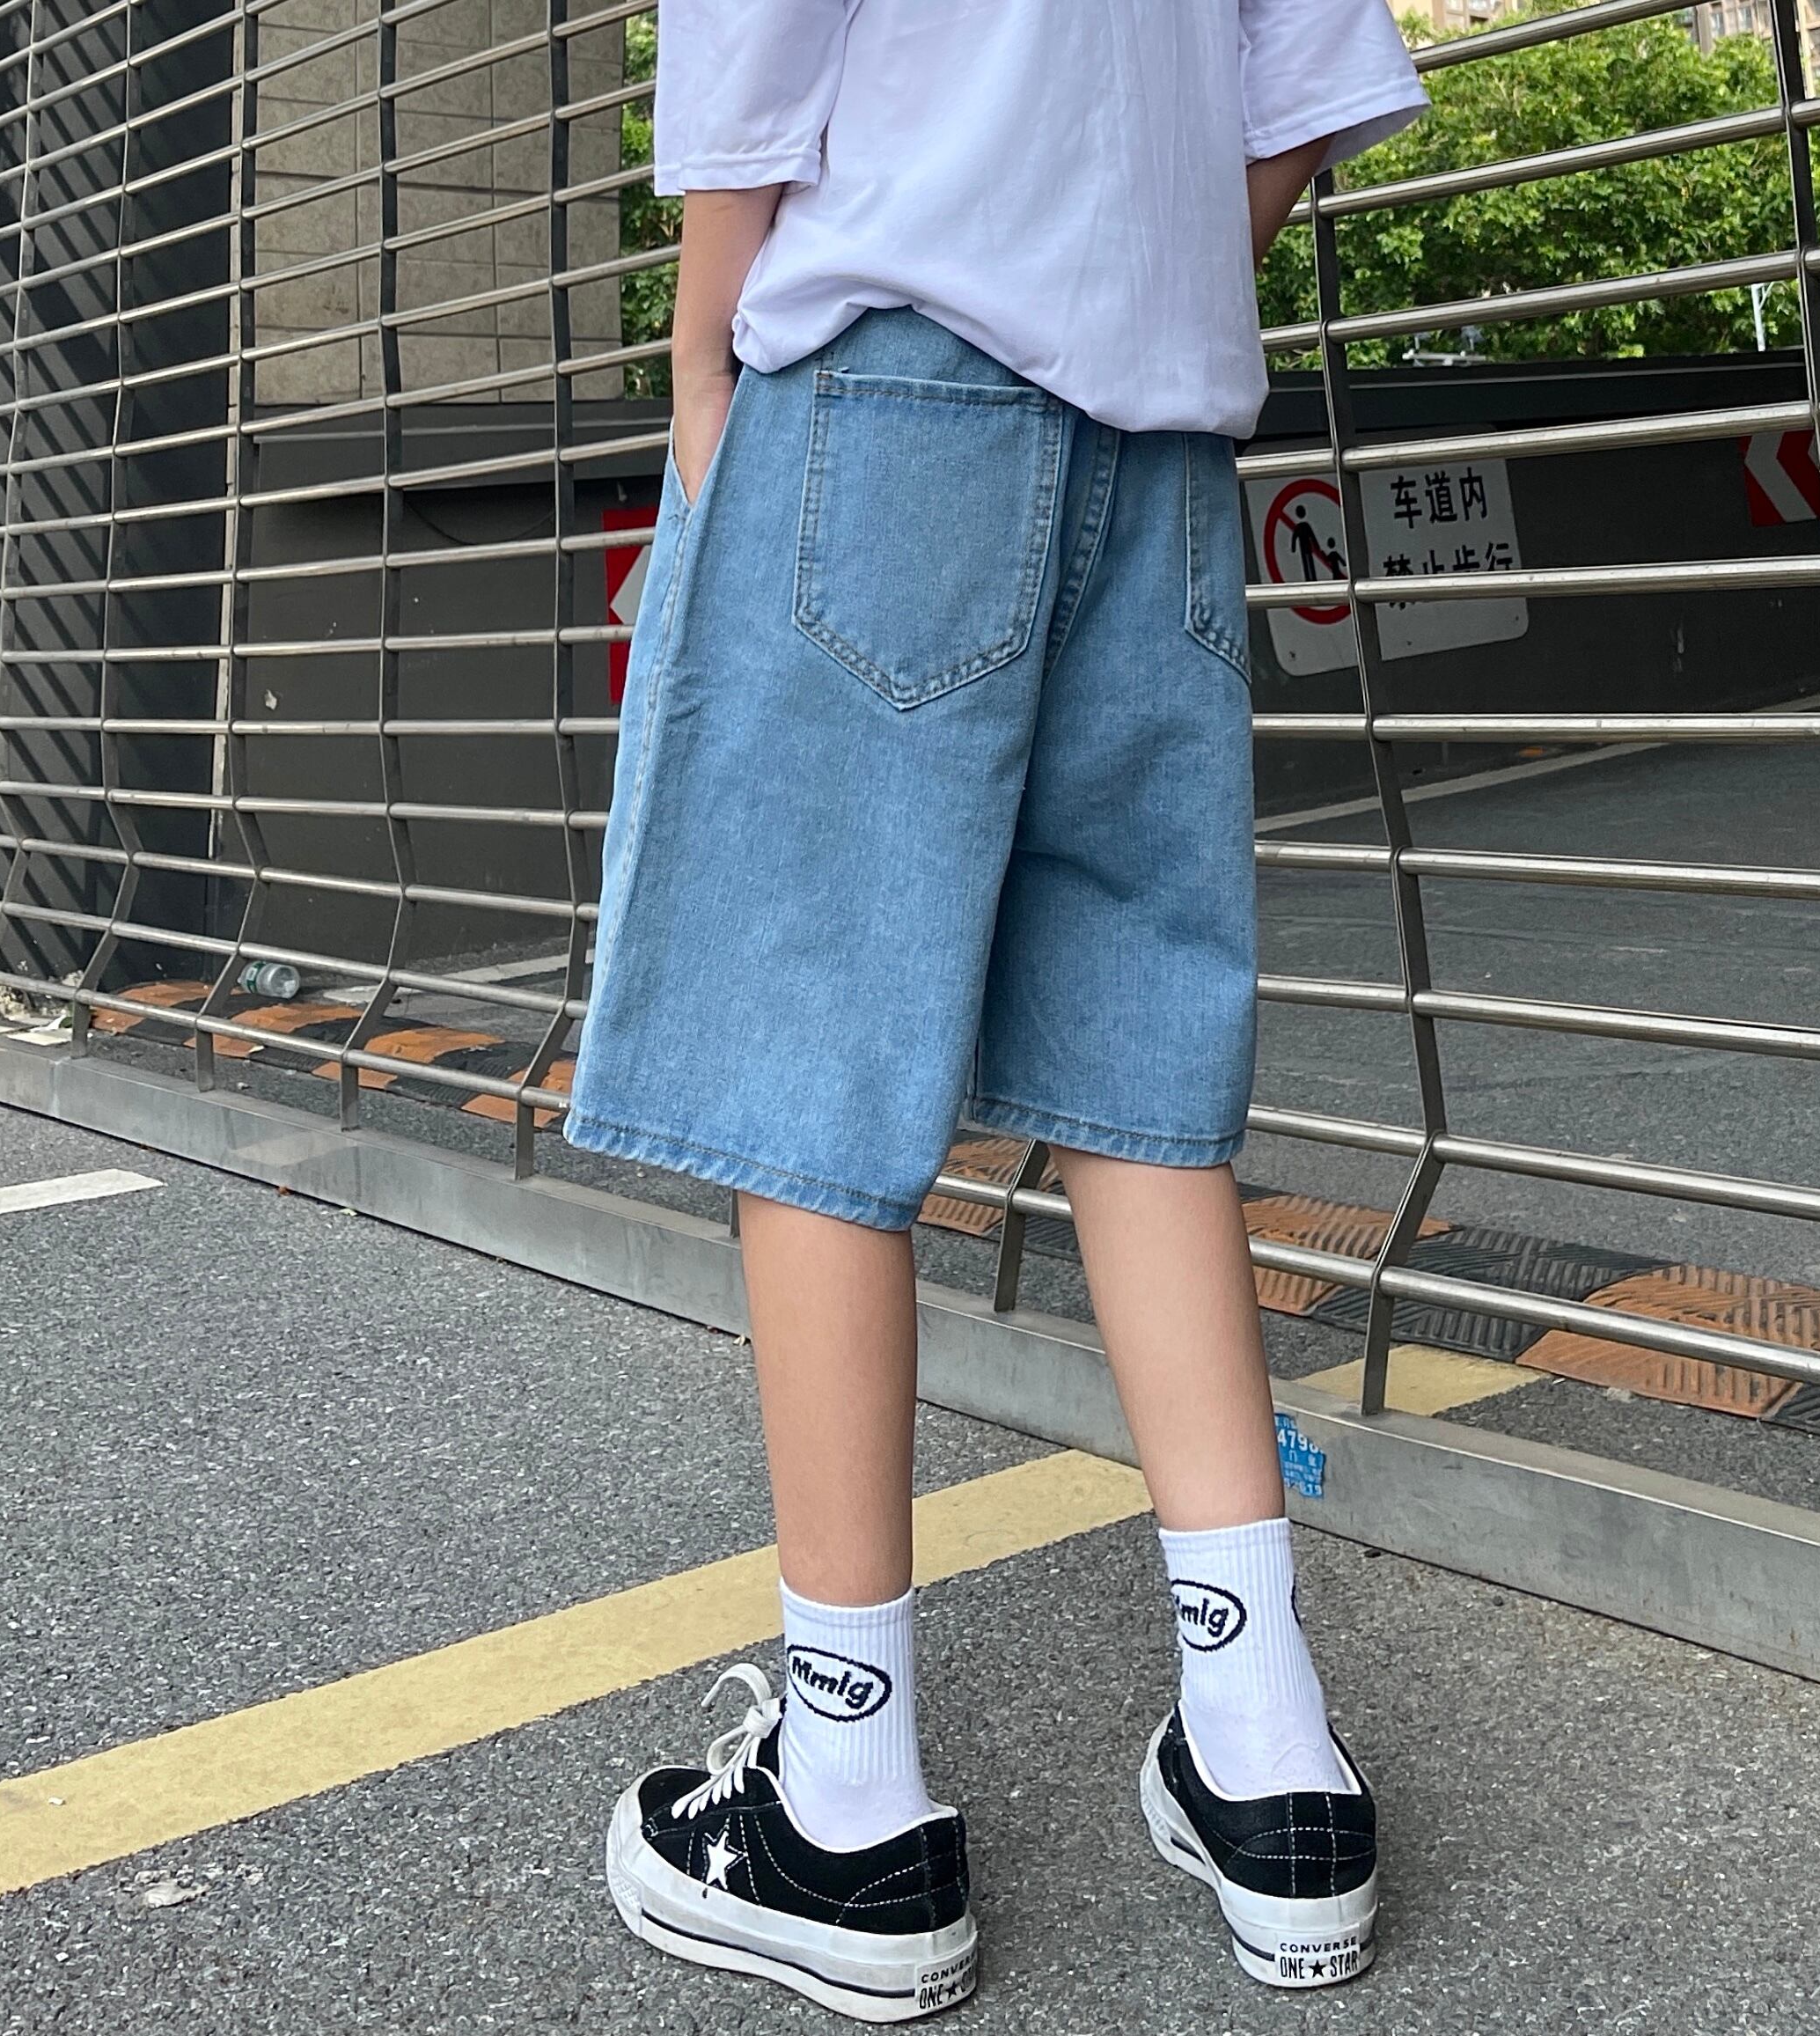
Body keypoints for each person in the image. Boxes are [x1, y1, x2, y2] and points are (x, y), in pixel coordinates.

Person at [569, 0, 1426, 2018]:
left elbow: (755, 52)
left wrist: (701, 351)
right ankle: (1267, 1751)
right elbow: (1308, 90)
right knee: (1141, 1064)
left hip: (885, 388)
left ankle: (847, 1797)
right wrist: (1117, 277)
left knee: (811, 1054)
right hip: (1154, 439)